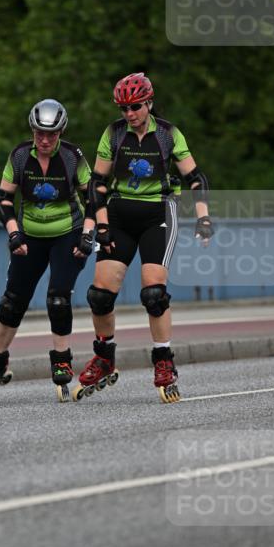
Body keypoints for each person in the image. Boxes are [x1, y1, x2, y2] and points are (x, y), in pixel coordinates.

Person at [74, 72, 213, 403]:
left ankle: (164, 361)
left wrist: (203, 216)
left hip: (159, 214)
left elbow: (194, 177)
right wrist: (99, 226)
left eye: (135, 106)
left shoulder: (167, 135)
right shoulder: (114, 134)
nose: (129, 113)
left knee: (153, 293)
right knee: (99, 295)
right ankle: (104, 357)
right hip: (121, 214)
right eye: (123, 108)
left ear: (149, 103)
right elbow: (97, 185)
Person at [0, 99, 95, 403]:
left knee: (57, 298)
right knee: (12, 302)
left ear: (61, 132)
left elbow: (94, 200)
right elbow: (2, 198)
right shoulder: (19, 156)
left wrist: (87, 235)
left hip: (67, 233)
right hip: (29, 235)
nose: (45, 141)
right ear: (32, 130)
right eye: (39, 134)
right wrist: (14, 233)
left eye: (52, 134)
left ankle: (61, 358)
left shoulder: (73, 157)